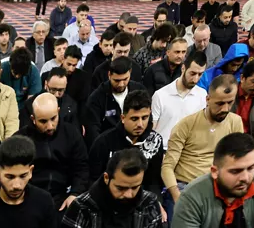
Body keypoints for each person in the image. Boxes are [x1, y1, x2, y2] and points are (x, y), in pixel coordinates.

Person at [162, 75, 244, 209]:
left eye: (230, 102)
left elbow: (238, 160)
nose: (225, 109)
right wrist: (177, 197)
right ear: (207, 99)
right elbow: (167, 167)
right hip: (186, 186)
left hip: (219, 187)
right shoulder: (185, 125)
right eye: (219, 103)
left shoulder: (235, 122)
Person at [18, 93, 87, 211]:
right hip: (30, 198)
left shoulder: (71, 134)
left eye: (53, 118)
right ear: (33, 119)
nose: (50, 126)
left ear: (58, 111)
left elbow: (81, 168)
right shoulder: (21, 140)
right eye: (43, 121)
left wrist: (75, 194)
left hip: (64, 196)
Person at [88, 89, 165, 192]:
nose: (140, 124)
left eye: (144, 118)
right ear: (123, 118)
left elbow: (154, 181)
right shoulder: (103, 142)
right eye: (134, 119)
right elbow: (94, 180)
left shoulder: (156, 141)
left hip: (143, 199)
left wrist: (155, 202)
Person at [150, 49, 208, 141]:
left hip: (189, 150)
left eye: (200, 74)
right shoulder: (160, 96)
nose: (195, 79)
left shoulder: (202, 95)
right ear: (183, 68)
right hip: (164, 149)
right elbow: (152, 129)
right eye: (192, 73)